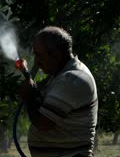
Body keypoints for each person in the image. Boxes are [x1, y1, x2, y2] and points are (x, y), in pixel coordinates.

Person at [18, 26, 98, 157]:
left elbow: (43, 124)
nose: (37, 62)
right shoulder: (60, 75)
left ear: (56, 54)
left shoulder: (72, 79)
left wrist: (29, 97)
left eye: (39, 55)